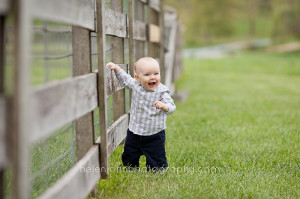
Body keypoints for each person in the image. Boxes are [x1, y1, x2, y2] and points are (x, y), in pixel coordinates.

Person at [106, 57, 176, 171]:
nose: (153, 77)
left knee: (156, 157)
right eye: (147, 74)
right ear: (137, 78)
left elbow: (172, 106)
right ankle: (130, 168)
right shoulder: (136, 85)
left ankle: (157, 170)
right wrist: (117, 69)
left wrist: (165, 106)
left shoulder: (162, 91)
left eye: (156, 74)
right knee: (129, 153)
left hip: (155, 134)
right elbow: (125, 79)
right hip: (135, 132)